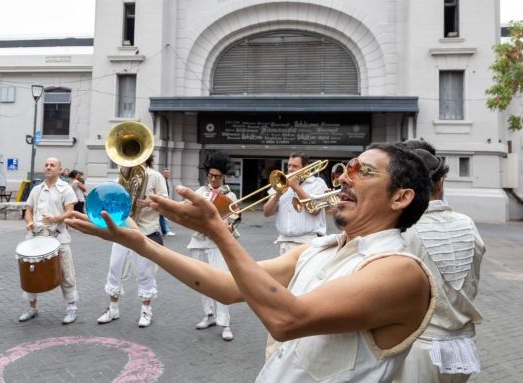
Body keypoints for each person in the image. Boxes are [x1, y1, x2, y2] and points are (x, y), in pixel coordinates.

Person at [68, 143, 437, 382]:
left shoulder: (400, 269)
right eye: (347, 168)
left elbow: (287, 320)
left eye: (364, 171)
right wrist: (142, 244)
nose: (343, 177)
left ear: (401, 197)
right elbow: (228, 287)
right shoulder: (322, 248)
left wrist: (219, 231)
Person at [393, 140, 485, 383]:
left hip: (419, 346)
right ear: (441, 182)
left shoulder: (402, 231)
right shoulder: (468, 223)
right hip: (464, 343)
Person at [96, 155, 168, 328]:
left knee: (144, 272)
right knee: (115, 268)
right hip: (122, 229)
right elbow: (111, 200)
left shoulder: (156, 176)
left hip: (146, 231)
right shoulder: (121, 177)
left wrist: (150, 203)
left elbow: (165, 201)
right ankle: (113, 308)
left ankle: (146, 310)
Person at [18, 157, 79, 325]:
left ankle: (72, 309)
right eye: (46, 165)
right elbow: (28, 211)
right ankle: (32, 308)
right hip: (36, 237)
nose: (48, 167)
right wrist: (29, 222)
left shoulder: (65, 188)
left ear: (60, 169)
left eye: (52, 165)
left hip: (58, 237)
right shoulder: (36, 189)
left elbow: (70, 212)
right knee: (30, 272)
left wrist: (56, 218)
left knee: (66, 273)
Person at [188, 151, 240, 341]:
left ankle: (225, 323)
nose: (213, 179)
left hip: (217, 243)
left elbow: (234, 219)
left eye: (217, 176)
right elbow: (187, 210)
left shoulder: (229, 195)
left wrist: (230, 223)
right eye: (210, 176)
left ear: (223, 176)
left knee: (221, 283)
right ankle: (209, 315)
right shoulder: (201, 192)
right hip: (198, 241)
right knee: (201, 281)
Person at [262, 152, 329, 254]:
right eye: (289, 165)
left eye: (295, 166)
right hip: (284, 242)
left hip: (308, 242)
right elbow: (266, 212)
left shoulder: (318, 183)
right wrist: (277, 195)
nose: (290, 169)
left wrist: (296, 188)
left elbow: (314, 210)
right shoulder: (281, 183)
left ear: (306, 167)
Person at [159, 168, 176, 236]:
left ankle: (165, 230)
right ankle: (166, 231)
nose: (168, 174)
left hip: (164, 199)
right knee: (163, 216)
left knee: (162, 216)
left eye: (168, 173)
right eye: (166, 173)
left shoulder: (165, 180)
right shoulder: (161, 180)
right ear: (163, 173)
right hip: (162, 200)